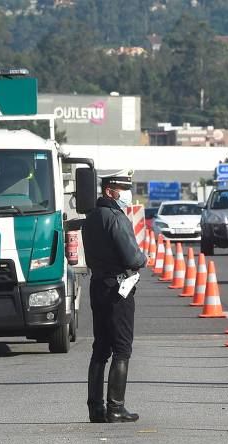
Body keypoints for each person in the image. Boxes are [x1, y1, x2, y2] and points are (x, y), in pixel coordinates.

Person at [81, 170, 147, 423]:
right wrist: (143, 258)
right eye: (123, 189)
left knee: (100, 349)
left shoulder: (91, 217)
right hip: (119, 287)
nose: (127, 194)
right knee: (122, 348)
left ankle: (95, 408)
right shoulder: (116, 218)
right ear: (110, 191)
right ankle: (116, 407)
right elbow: (132, 256)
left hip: (98, 284)